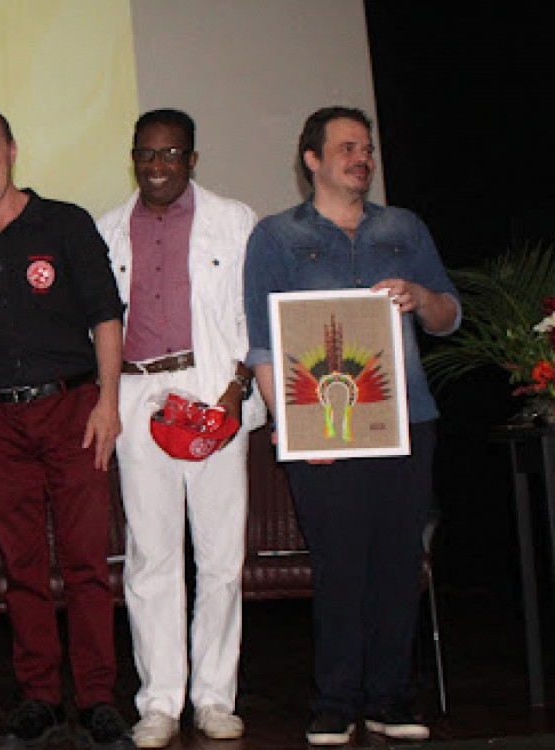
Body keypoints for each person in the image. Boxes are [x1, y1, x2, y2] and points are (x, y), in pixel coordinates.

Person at [243, 106, 460, 747]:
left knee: (396, 563)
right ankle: (335, 701)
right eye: (345, 147)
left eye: (365, 147)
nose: (360, 157)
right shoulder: (276, 237)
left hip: (409, 421)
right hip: (321, 431)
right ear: (312, 159)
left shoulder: (405, 228)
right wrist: (291, 429)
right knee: (339, 565)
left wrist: (421, 299)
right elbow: (262, 347)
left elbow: (448, 315)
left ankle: (391, 698)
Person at [0, 106, 131, 750]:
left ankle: (100, 696)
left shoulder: (66, 223)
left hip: (73, 409)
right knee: (22, 564)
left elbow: (106, 314)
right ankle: (40, 695)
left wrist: (108, 402)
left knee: (84, 561)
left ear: (13, 150)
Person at [96, 109, 262, 747]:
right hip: (139, 395)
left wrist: (237, 385)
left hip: (212, 391)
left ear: (192, 159)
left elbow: (257, 310)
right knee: (151, 557)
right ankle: (160, 700)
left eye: (170, 154)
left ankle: (215, 697)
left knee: (220, 557)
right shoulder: (108, 229)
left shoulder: (234, 220)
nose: (157, 165)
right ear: (133, 157)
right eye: (146, 153)